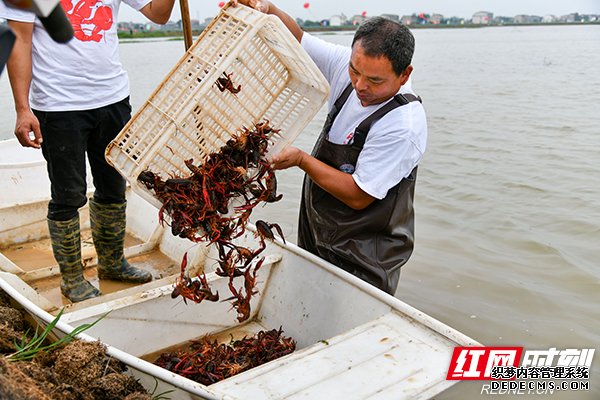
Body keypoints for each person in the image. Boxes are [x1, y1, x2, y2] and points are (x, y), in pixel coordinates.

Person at [237, 0, 427, 295]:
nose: (360, 85)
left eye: (375, 81)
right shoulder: (350, 67)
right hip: (317, 233)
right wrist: (267, 8)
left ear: (404, 74)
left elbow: (358, 195)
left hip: (365, 258)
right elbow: (298, 39)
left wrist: (301, 159)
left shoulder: (403, 125)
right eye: (355, 71)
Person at [0, 0, 176, 302]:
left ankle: (112, 264)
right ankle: (72, 280)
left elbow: (158, 14)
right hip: (58, 105)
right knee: (68, 195)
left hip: (113, 99)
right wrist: (22, 109)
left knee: (113, 187)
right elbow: (21, 41)